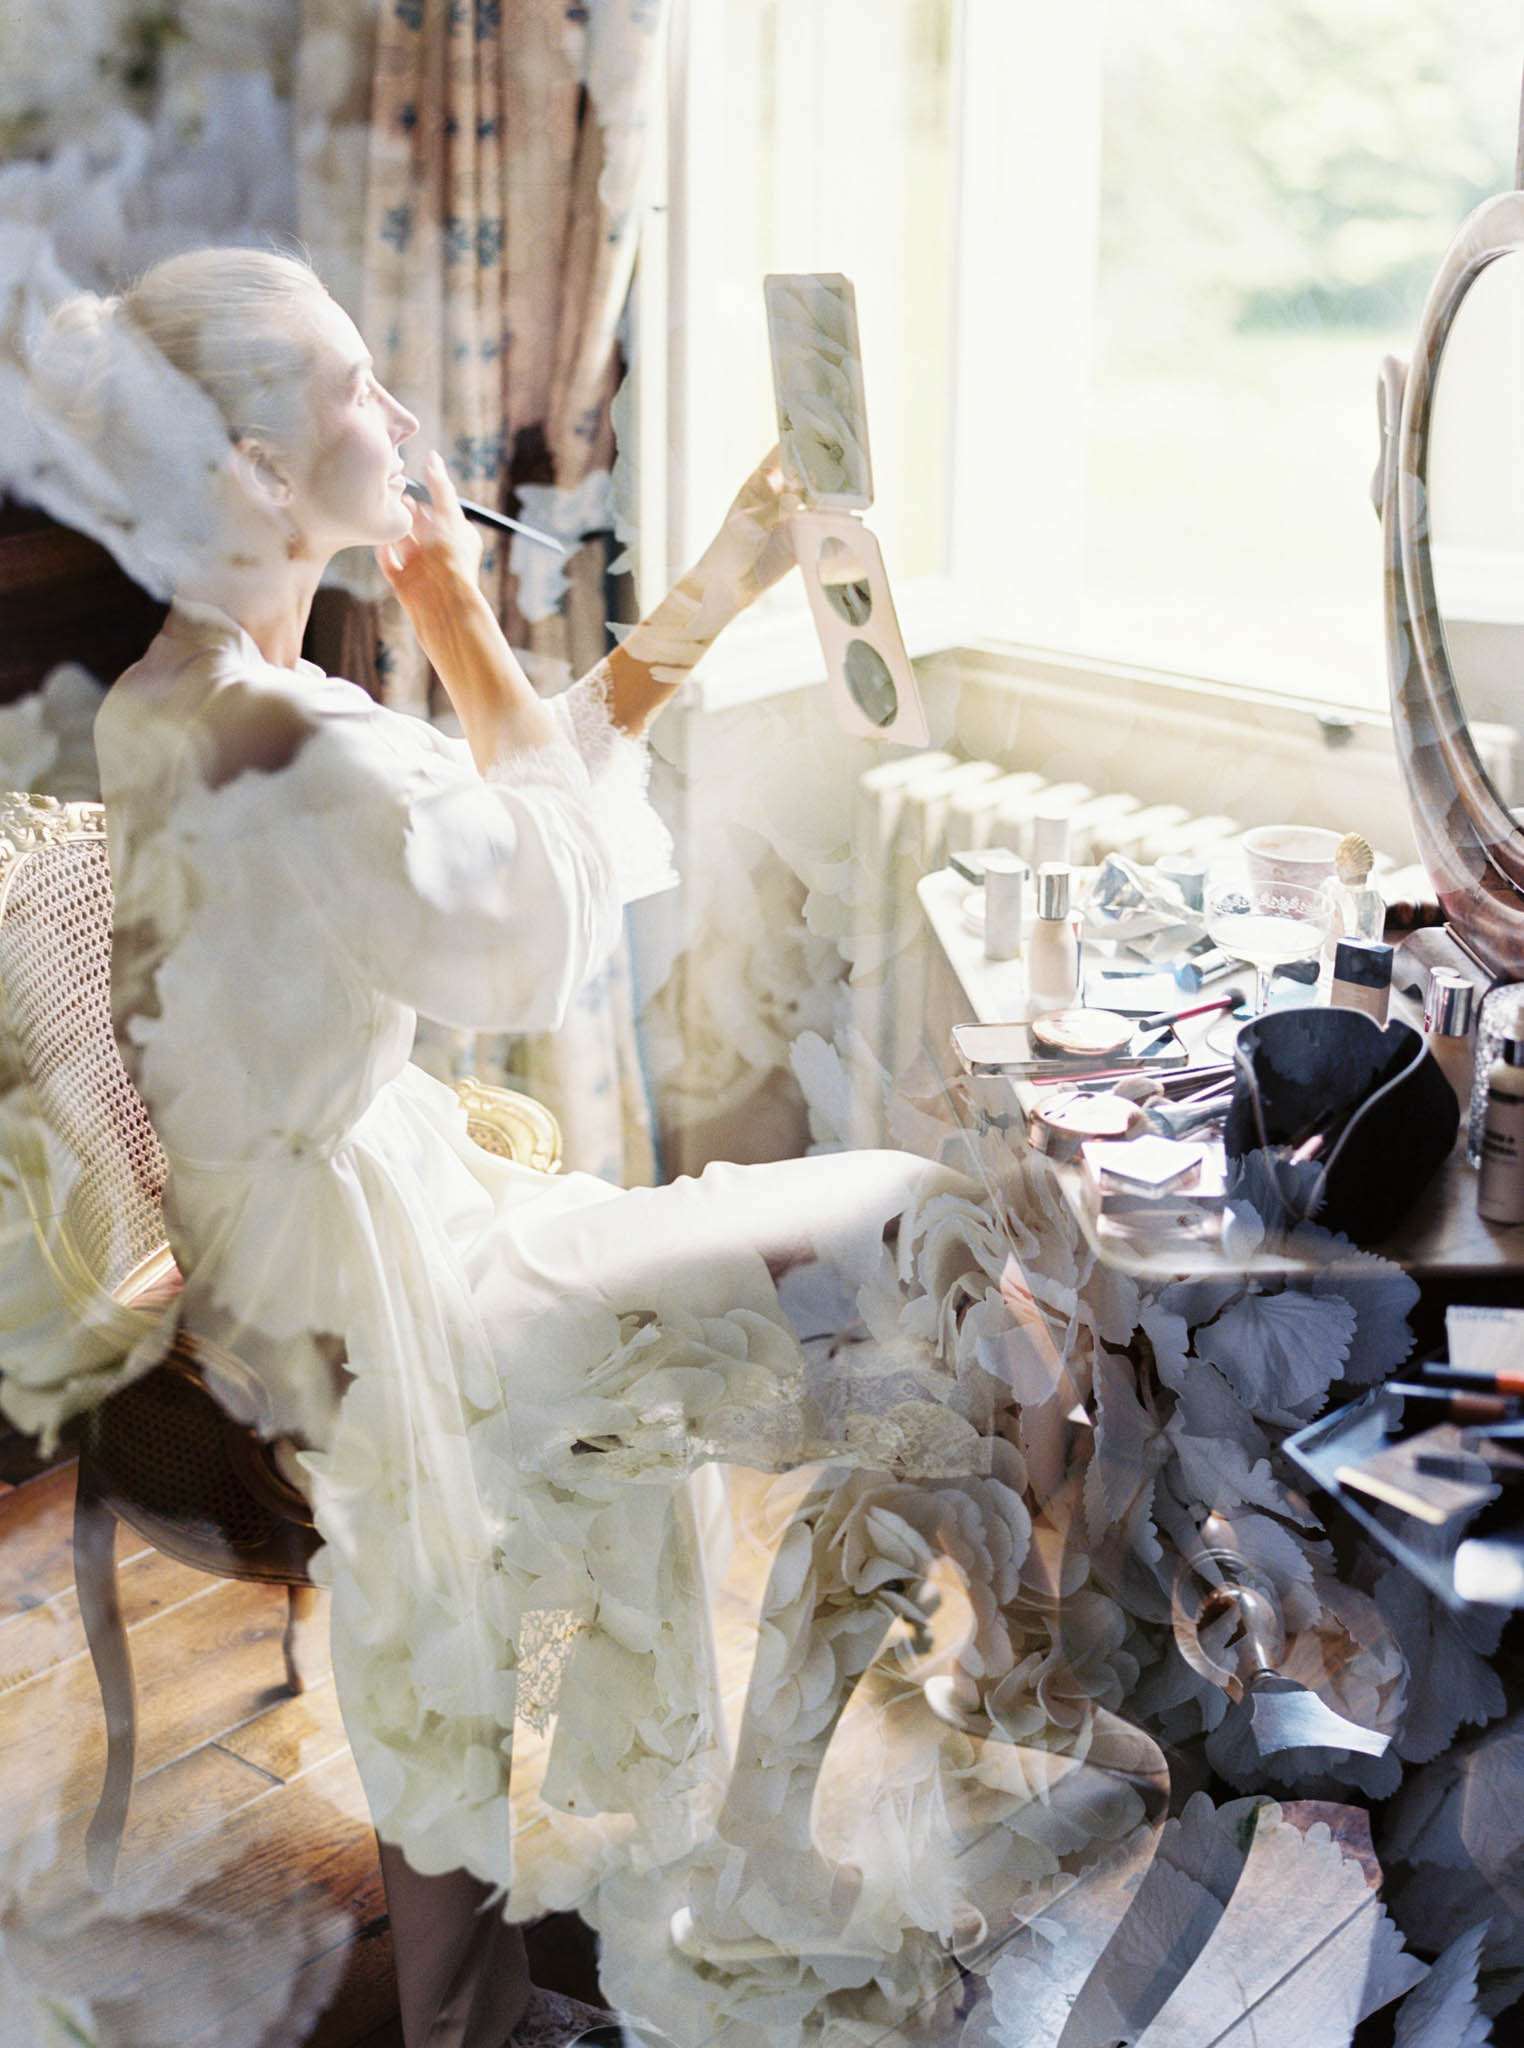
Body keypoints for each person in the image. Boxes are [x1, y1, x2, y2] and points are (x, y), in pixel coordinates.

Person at [23, 247, 1012, 2047]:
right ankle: (747, 1865)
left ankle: (685, 1872)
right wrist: (462, 614)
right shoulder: (277, 737)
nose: (403, 419)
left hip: (339, 1227)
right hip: (363, 1301)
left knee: (804, 1299)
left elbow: (502, 815)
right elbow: (536, 931)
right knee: (917, 1230)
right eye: (356, 387)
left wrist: (720, 579)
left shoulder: (194, 691)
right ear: (256, 469)